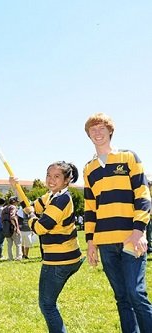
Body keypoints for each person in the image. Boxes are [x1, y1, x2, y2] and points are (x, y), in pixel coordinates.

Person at [83, 113, 152, 332]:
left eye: (102, 128)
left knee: (135, 293)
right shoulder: (89, 169)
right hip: (105, 242)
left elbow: (143, 195)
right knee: (121, 297)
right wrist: (91, 242)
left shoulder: (128, 157)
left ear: (110, 131)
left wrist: (139, 231)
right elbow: (90, 208)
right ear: (88, 135)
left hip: (131, 237)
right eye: (93, 129)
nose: (97, 132)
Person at [13, 161, 83, 333]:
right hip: (69, 257)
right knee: (49, 303)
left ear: (67, 180)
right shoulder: (52, 195)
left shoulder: (62, 199)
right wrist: (17, 189)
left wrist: (31, 215)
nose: (51, 180)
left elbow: (40, 228)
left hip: (60, 260)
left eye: (57, 176)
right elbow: (30, 206)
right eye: (49, 175)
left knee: (47, 305)